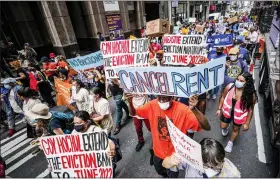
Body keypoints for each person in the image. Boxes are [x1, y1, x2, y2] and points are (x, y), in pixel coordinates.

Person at [127, 95, 211, 177]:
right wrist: (130, 102)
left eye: (165, 98)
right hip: (157, 154)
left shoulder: (183, 110)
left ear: (173, 97)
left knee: (172, 175)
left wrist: (194, 109)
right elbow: (134, 113)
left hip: (174, 157)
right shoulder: (152, 105)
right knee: (160, 172)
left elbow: (207, 127)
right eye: (159, 98)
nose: (162, 101)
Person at [216, 72, 257, 153]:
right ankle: (225, 128)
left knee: (235, 129)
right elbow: (223, 97)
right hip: (227, 112)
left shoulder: (251, 95)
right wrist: (219, 109)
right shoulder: (229, 87)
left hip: (239, 115)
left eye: (241, 81)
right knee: (223, 126)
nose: (238, 82)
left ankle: (230, 143)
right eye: (237, 79)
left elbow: (251, 109)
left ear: (247, 83)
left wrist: (247, 123)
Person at [162, 138, 241, 178]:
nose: (212, 169)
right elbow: (164, 163)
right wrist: (171, 160)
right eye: (207, 166)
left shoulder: (232, 174)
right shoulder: (191, 159)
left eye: (216, 165)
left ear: (222, 159)